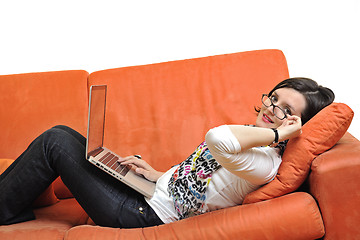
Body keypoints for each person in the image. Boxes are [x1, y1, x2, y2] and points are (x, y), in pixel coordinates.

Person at [0, 77, 334, 228]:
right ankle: (13, 206)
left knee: (55, 141)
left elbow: (217, 139)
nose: (271, 107)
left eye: (285, 109)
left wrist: (280, 133)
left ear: (296, 125)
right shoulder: (251, 141)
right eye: (273, 98)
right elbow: (206, 178)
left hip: (142, 215)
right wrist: (156, 174)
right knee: (71, 137)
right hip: (148, 192)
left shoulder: (264, 161)